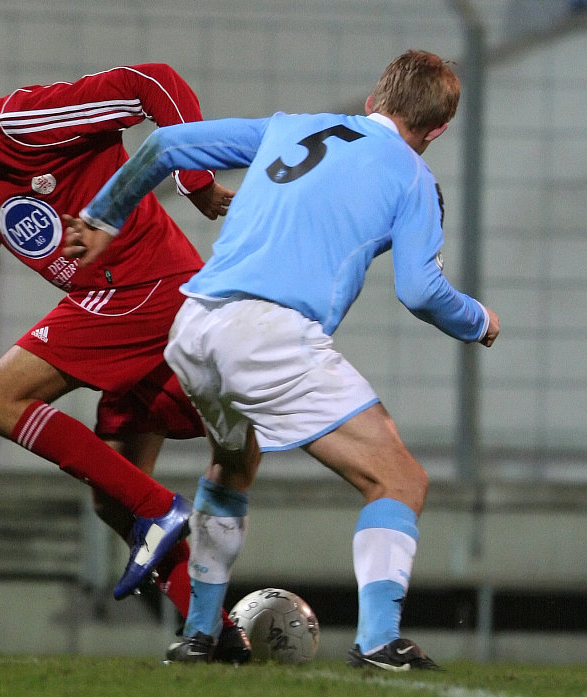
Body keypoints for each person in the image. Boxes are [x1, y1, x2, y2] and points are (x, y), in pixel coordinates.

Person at [63, 50, 500, 668]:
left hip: (194, 326)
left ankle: (199, 633)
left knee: (233, 463)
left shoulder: (290, 125)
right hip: (268, 332)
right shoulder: (413, 177)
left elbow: (163, 144)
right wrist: (479, 321)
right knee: (398, 479)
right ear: (437, 131)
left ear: (375, 99)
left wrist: (104, 214)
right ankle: (378, 642)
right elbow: (421, 291)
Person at [0, 64, 250, 662]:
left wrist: (196, 181)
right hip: (126, 304)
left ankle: (163, 508)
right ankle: (215, 635)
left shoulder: (25, 120)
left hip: (142, 290)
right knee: (111, 496)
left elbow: (155, 83)